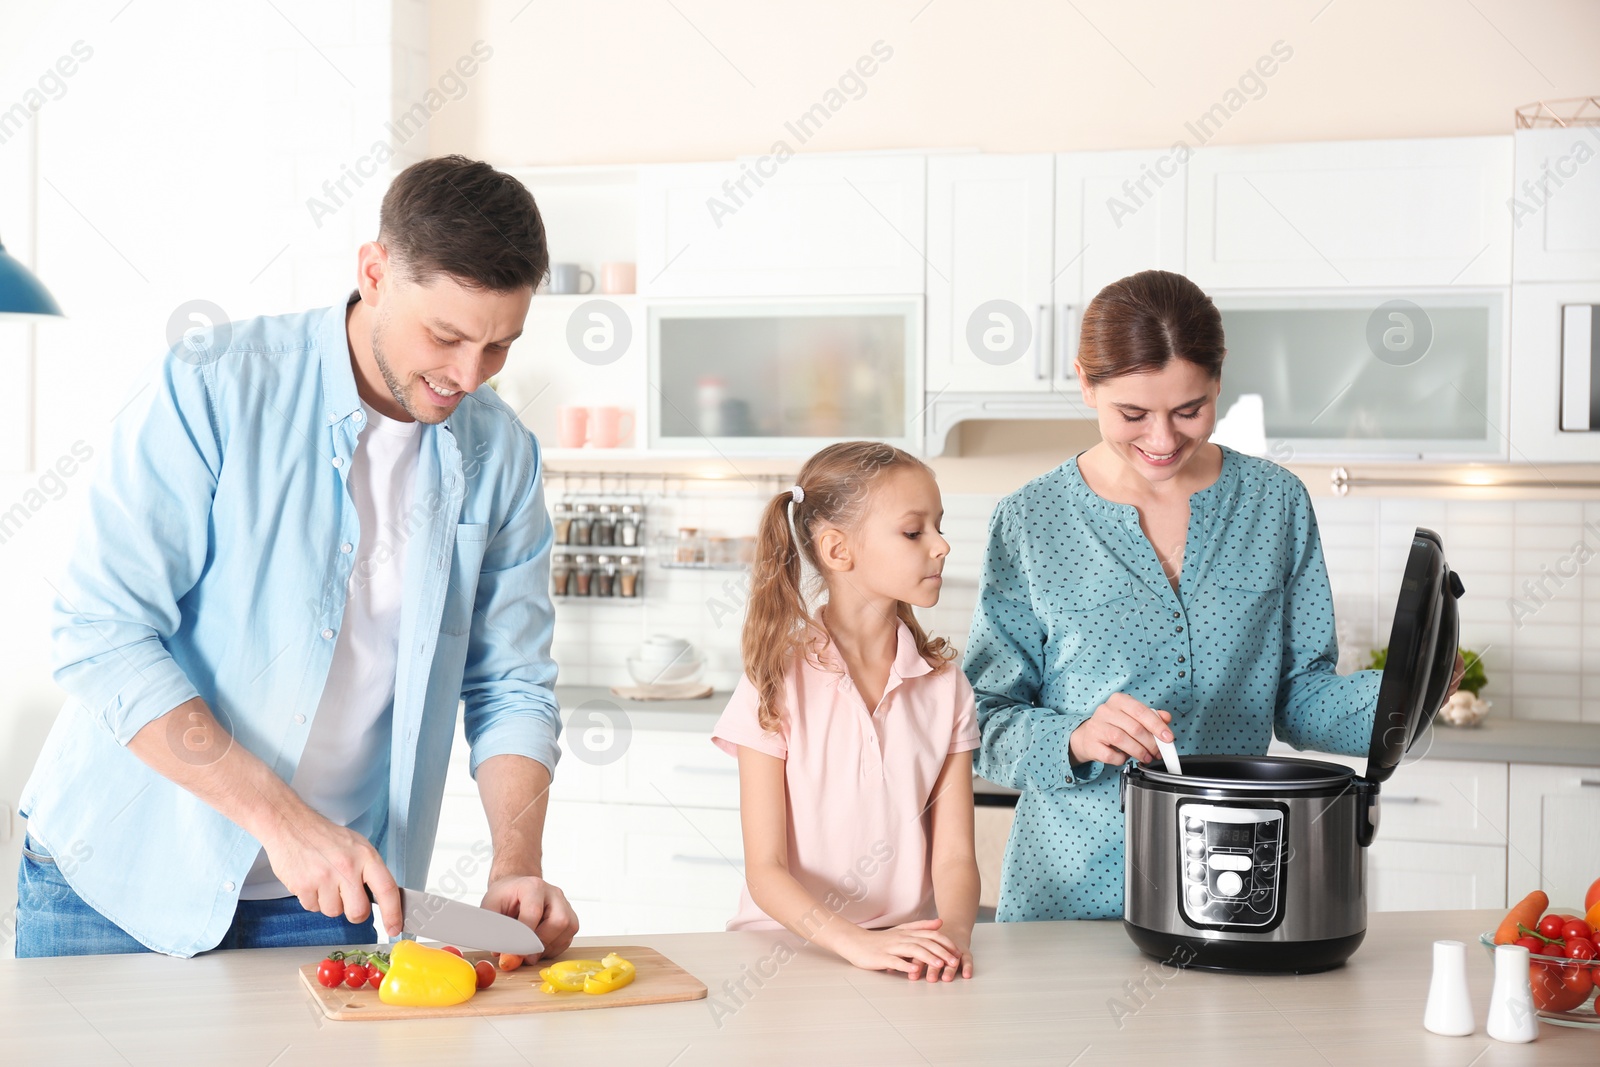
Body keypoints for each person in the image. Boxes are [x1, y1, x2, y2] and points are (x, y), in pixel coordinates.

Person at [16, 155, 579, 959]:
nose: (468, 375)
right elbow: (102, 633)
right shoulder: (211, 386)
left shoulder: (503, 455)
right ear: (375, 272)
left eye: (499, 347)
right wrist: (283, 821)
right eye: (447, 336)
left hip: (333, 900)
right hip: (114, 879)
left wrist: (516, 860)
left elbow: (511, 681)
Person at [963, 269, 1465, 921]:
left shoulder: (1275, 503)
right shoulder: (1030, 520)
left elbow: (1299, 697)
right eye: (1133, 414)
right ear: (1085, 382)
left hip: (1228, 882)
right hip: (1068, 889)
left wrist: (1405, 687)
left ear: (1219, 379)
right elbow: (983, 718)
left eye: (1189, 409)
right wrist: (1077, 735)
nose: (1163, 440)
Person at [711, 442, 980, 981]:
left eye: (939, 526)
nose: (942, 545)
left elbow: (953, 857)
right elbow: (765, 872)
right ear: (837, 550)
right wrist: (857, 945)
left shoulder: (946, 685)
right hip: (783, 955)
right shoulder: (774, 680)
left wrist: (951, 934)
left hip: (907, 950)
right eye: (914, 531)